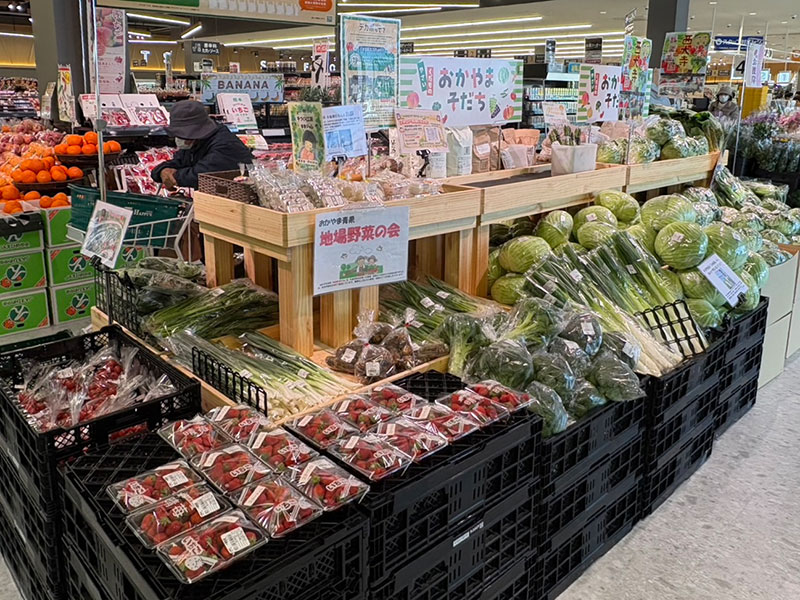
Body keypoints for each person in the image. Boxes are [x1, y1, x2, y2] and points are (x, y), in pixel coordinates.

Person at [152, 100, 253, 190]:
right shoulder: (195, 142)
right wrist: (162, 171)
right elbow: (178, 161)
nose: (180, 139)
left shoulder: (225, 144)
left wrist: (174, 176)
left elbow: (202, 175)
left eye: (185, 135)